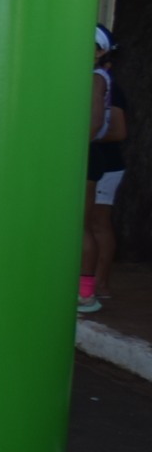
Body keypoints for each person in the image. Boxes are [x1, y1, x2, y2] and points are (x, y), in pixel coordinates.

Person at [81, 24, 130, 314]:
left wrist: (72, 147)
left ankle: (88, 292)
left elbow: (97, 122)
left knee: (85, 227)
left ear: (100, 52)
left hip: (89, 159)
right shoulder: (90, 77)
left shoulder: (96, 79)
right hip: (91, 157)